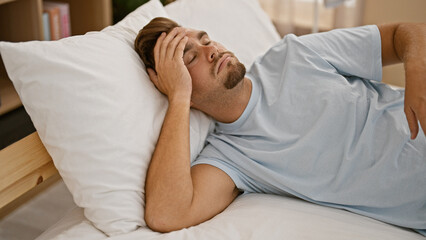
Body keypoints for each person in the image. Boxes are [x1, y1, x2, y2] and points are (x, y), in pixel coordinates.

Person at [134, 17, 426, 234]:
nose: (210, 50)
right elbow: (166, 215)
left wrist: (415, 67)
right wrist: (179, 98)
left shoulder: (294, 55)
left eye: (206, 39)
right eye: (190, 57)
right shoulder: (231, 157)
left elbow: (407, 32)